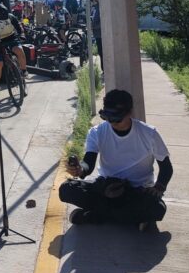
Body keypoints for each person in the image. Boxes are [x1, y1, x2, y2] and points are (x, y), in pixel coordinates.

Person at [59, 89, 172, 232]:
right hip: (105, 188)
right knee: (66, 190)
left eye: (117, 118)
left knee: (158, 209)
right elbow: (88, 163)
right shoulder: (97, 132)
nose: (112, 122)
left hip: (137, 191)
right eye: (108, 117)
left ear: (130, 112)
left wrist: (159, 187)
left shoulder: (149, 134)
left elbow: (166, 167)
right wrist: (80, 169)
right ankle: (131, 220)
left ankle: (96, 215)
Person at [0, 2, 27, 84]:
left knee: (19, 50)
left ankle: (24, 70)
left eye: (5, 13)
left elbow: (19, 27)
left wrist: (22, 34)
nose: (4, 16)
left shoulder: (11, 17)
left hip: (11, 37)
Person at [90, 0, 103, 73]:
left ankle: (105, 70)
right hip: (97, 34)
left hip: (101, 33)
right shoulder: (95, 6)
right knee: (100, 52)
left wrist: (93, 26)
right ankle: (103, 69)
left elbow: (103, 21)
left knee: (102, 52)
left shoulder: (101, 6)